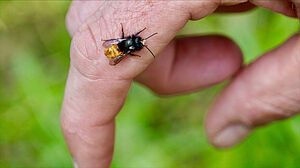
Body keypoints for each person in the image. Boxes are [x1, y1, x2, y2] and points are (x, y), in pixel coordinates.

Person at [61, 1, 300, 167]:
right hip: (115, 51)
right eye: (139, 40)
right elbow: (123, 46)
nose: (140, 41)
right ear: (133, 41)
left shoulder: (130, 45)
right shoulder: (129, 46)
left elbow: (124, 44)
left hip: (115, 50)